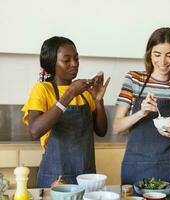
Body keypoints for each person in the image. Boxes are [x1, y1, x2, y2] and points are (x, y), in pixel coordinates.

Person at [22, 36, 110, 187]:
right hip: (55, 179)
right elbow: (34, 131)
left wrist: (98, 100)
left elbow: (101, 131)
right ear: (52, 63)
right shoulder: (42, 89)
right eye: (67, 60)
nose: (74, 64)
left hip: (86, 177)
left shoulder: (84, 92)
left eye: (76, 58)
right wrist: (69, 93)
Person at [113, 27, 170, 184]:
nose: (162, 62)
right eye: (157, 55)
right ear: (149, 54)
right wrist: (141, 112)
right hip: (134, 166)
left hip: (169, 167)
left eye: (169, 55)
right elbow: (117, 127)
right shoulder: (134, 79)